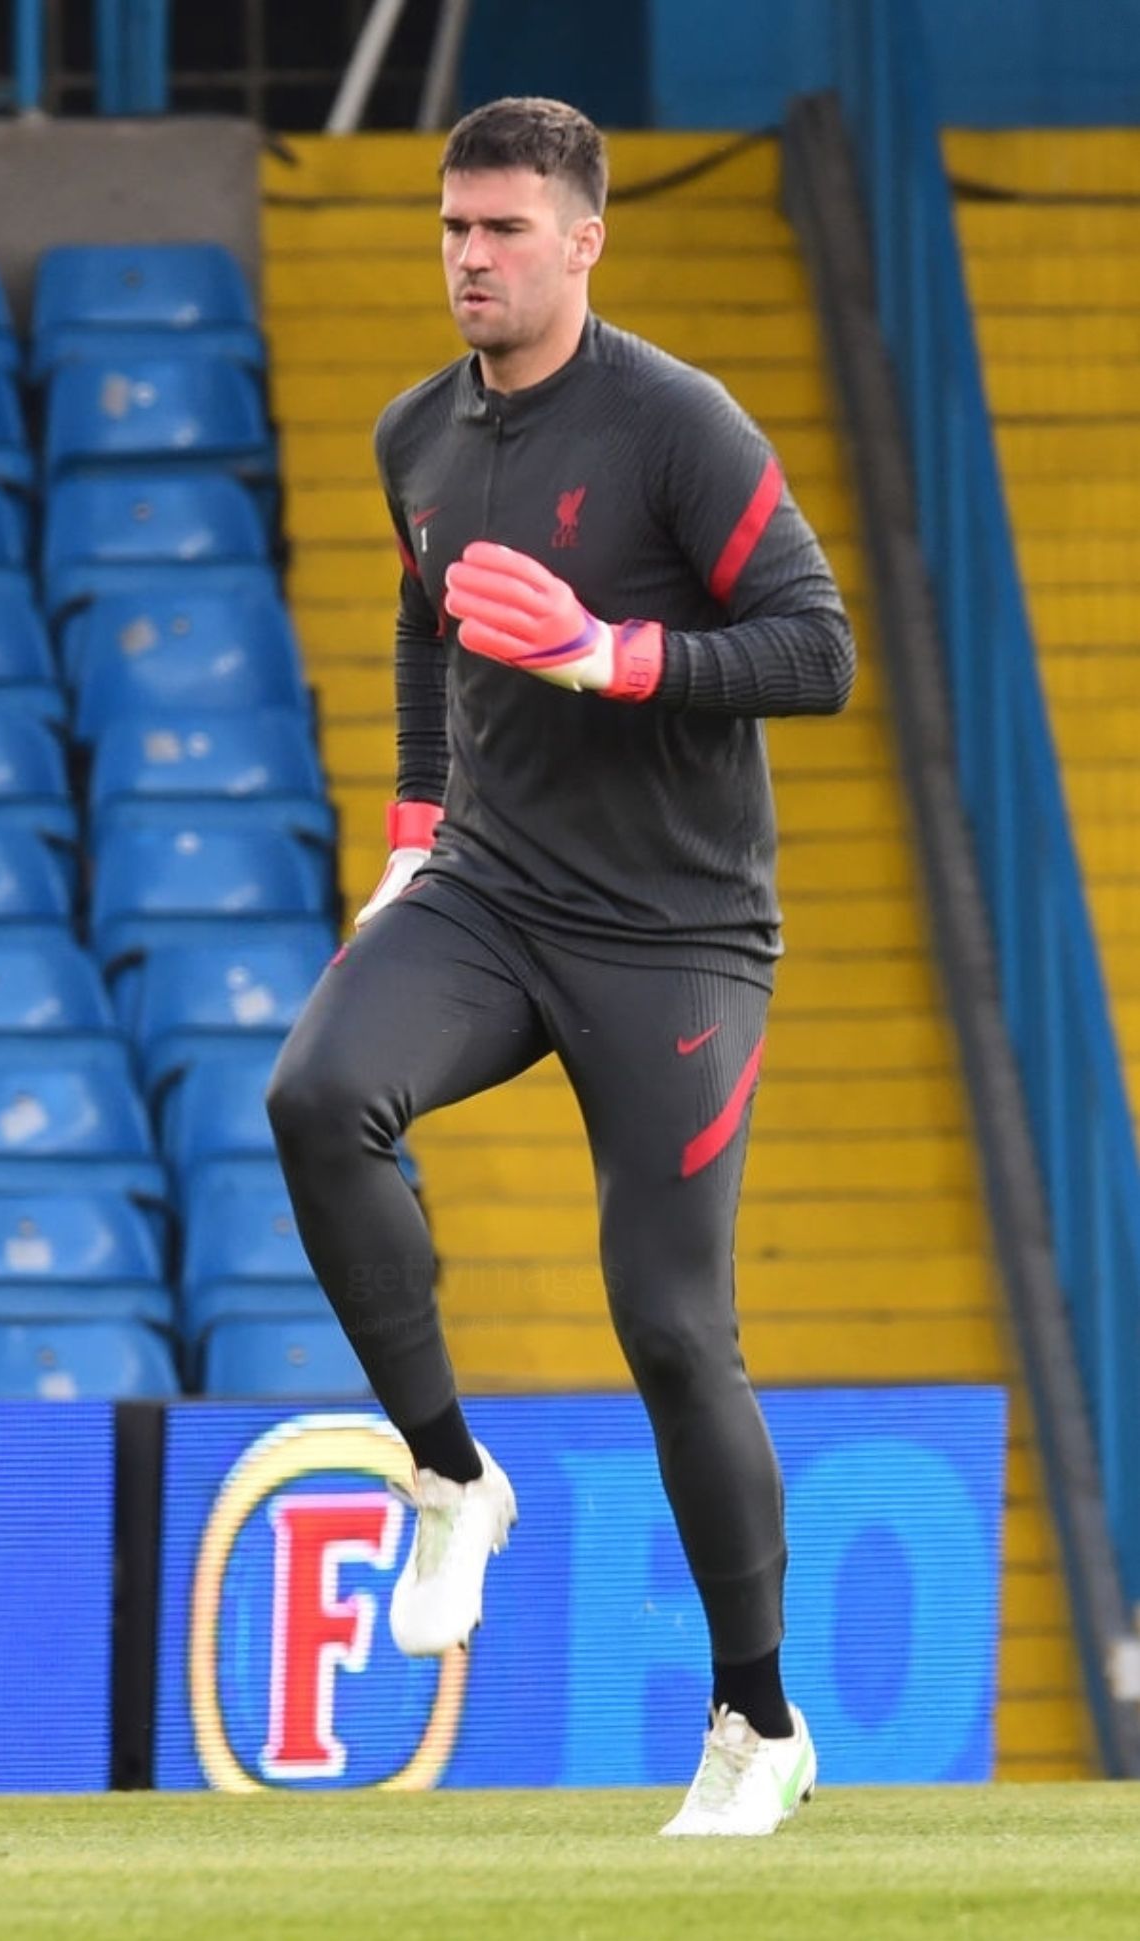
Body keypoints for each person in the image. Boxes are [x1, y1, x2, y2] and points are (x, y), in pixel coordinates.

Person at [266, 95, 854, 1837]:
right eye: (452, 226)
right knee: (314, 1094)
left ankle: (757, 1724)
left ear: (583, 239)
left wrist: (613, 656)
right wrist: (404, 833)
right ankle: (447, 1473)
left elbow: (814, 650)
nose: (468, 256)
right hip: (490, 893)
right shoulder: (410, 437)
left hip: (676, 936)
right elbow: (417, 617)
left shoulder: (678, 424)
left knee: (672, 1331)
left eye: (504, 228)